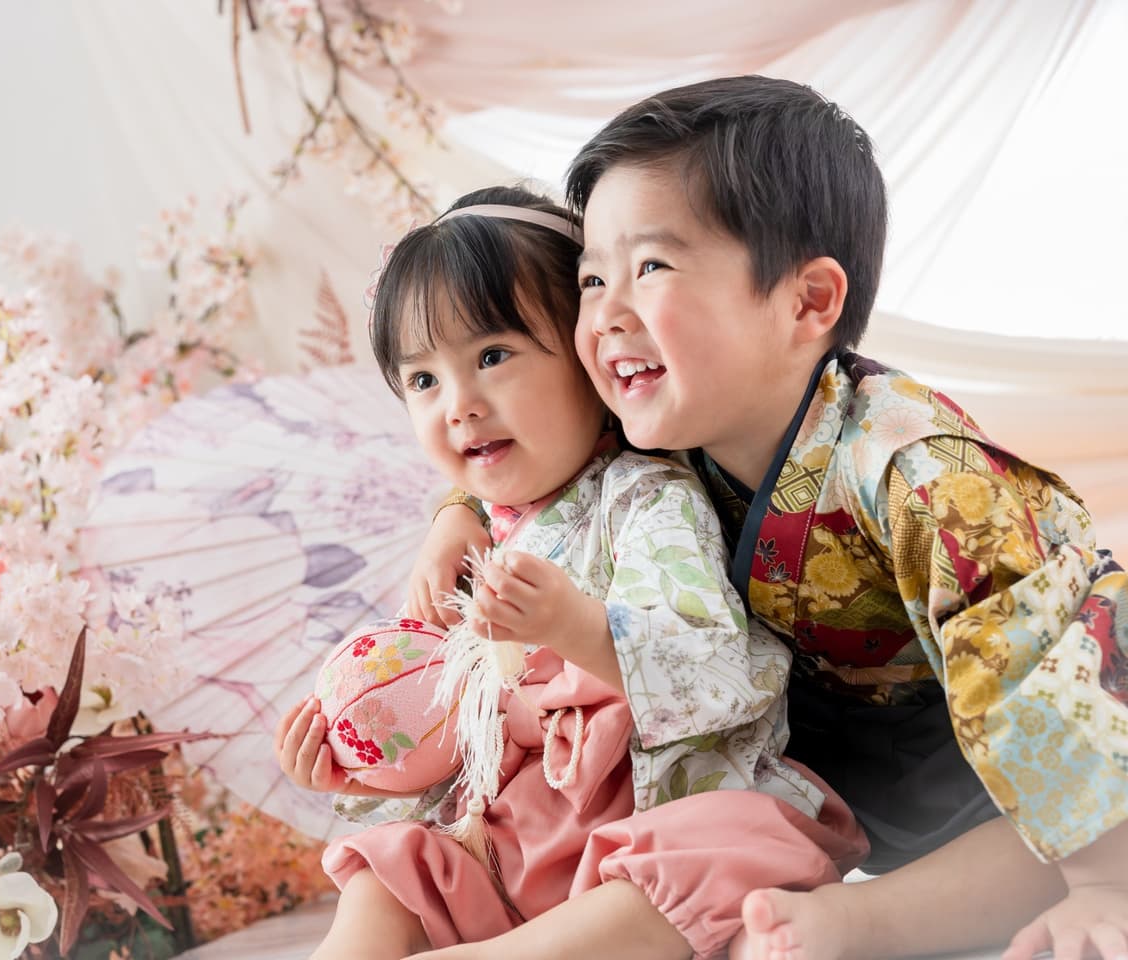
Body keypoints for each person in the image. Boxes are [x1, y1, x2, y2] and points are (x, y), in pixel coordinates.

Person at [417, 76, 1128, 960]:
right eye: (592, 278)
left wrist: (1102, 885)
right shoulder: (666, 423)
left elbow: (1038, 673)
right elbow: (545, 448)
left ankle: (864, 922)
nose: (604, 316)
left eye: (650, 267)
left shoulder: (921, 472)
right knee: (702, 831)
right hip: (845, 759)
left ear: (808, 302)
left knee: (1043, 835)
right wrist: (459, 511)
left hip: (1035, 723)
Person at [275, 185, 866, 960]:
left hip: (639, 830)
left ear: (590, 358)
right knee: (394, 872)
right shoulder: (467, 546)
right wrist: (375, 766)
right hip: (517, 850)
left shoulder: (644, 499)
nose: (459, 405)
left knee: (731, 844)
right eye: (423, 381)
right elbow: (465, 740)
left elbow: (717, 670)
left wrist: (573, 627)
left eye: (493, 357)